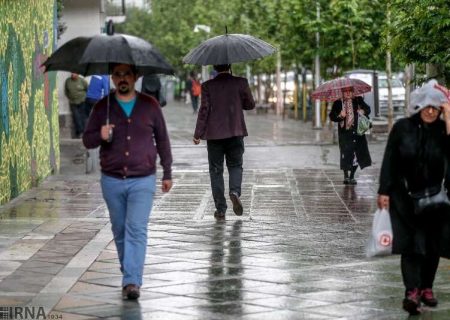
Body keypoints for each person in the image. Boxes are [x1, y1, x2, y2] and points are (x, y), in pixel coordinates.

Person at [82, 63, 173, 300]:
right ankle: (129, 272)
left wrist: (168, 172)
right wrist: (99, 135)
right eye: (117, 75)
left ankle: (132, 281)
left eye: (127, 74)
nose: (122, 79)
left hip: (143, 179)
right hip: (112, 180)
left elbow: (162, 139)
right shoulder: (103, 107)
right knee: (120, 229)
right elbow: (87, 140)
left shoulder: (150, 105)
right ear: (112, 78)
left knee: (136, 229)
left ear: (135, 77)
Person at [377, 79, 450, 315]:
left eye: (436, 107)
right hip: (405, 199)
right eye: (427, 106)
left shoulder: (443, 130)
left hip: (436, 199)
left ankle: (426, 288)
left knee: (432, 246)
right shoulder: (402, 128)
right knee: (411, 246)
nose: (431, 111)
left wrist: (449, 118)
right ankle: (411, 292)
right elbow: (389, 160)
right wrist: (383, 191)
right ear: (418, 105)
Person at [193, 64, 255, 220]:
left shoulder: (207, 86)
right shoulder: (241, 82)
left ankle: (220, 209)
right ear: (230, 66)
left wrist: (198, 133)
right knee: (235, 165)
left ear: (215, 67)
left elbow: (204, 110)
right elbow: (250, 105)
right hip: (235, 132)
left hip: (214, 135)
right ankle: (234, 192)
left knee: (216, 171)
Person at [329, 88, 372, 184]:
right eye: (345, 91)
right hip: (345, 133)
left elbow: (368, 109)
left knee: (357, 155)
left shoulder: (358, 100)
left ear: (353, 92)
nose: (348, 93)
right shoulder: (338, 103)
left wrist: (363, 111)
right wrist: (340, 116)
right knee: (346, 154)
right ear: (343, 93)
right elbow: (332, 116)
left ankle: (352, 176)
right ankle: (346, 176)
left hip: (358, 133)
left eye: (350, 91)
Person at [64, 73, 88, 138]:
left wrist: (83, 97)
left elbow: (87, 89)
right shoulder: (68, 81)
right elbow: (66, 91)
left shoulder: (82, 81)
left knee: (83, 116)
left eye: (74, 74)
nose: (73, 75)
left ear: (77, 74)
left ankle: (84, 132)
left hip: (82, 101)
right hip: (73, 102)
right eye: (72, 73)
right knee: (76, 117)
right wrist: (70, 97)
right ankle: (80, 132)